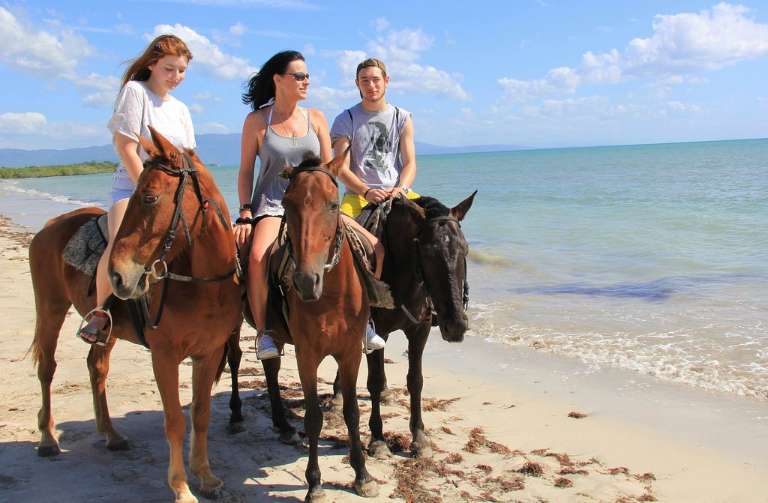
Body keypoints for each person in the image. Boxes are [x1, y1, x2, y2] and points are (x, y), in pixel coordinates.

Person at [235, 51, 385, 360]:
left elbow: (329, 168)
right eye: (299, 76)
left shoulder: (315, 117)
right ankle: (264, 333)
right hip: (275, 204)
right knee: (258, 258)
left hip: (318, 207)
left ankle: (366, 320)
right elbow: (246, 170)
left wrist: (337, 202)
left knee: (374, 247)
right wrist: (245, 211)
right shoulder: (257, 121)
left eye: (307, 76)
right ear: (278, 80)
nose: (307, 81)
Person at [77, 35, 195, 344]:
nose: (176, 77)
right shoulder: (135, 92)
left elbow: (187, 158)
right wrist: (148, 191)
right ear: (152, 64)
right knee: (119, 243)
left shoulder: (181, 109)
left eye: (182, 71)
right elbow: (126, 147)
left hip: (171, 193)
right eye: (170, 69)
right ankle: (102, 313)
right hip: (132, 186)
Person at [329, 57, 419, 349]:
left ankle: (442, 306)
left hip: (398, 192)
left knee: (442, 232)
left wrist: (401, 189)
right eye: (365, 80)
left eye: (375, 79)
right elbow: (339, 167)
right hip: (358, 196)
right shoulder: (346, 119)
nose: (371, 85)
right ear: (357, 84)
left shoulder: (402, 117)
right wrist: (366, 191)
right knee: (340, 241)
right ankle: (363, 317)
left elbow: (410, 163)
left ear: (386, 80)